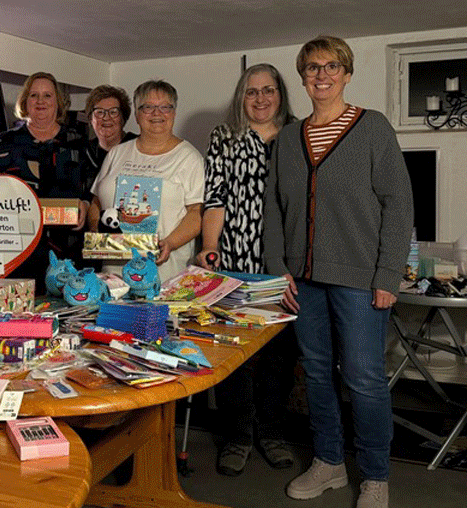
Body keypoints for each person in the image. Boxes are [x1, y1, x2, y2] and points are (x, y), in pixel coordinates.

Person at [263, 36, 413, 508]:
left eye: (331, 67)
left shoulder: (373, 128)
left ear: (347, 74)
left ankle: (375, 476)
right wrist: (276, 268)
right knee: (317, 375)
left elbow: (398, 204)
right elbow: (273, 209)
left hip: (360, 280)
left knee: (365, 379)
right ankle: (328, 464)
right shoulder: (289, 137)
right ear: (303, 76)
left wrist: (388, 274)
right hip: (302, 279)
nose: (321, 75)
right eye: (311, 68)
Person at [196, 64, 297, 476]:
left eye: (267, 90)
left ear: (280, 94)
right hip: (236, 263)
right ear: (241, 95)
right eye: (251, 91)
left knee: (279, 356)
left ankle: (270, 431)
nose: (259, 99)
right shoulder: (225, 137)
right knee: (233, 352)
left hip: (286, 265)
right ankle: (236, 435)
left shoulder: (297, 133)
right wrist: (208, 247)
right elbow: (215, 197)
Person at [89, 80, 204, 282]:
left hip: (164, 274)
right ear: (137, 114)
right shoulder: (117, 153)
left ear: (174, 112)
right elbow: (96, 202)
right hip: (112, 275)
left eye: (165, 107)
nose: (156, 113)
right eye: (148, 107)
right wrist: (95, 235)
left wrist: (170, 243)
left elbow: (196, 213)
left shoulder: (189, 157)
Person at [0, 72, 89, 290]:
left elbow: (95, 189)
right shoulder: (5, 142)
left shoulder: (78, 142)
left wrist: (87, 205)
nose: (40, 101)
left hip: (68, 255)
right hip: (15, 253)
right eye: (34, 95)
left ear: (57, 102)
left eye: (47, 96)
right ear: (25, 102)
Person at [84, 85, 137, 175]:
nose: (106, 118)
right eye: (100, 112)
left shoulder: (139, 147)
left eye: (113, 112)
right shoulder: (84, 152)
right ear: (91, 119)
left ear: (123, 118)